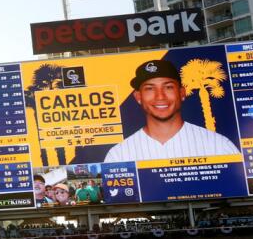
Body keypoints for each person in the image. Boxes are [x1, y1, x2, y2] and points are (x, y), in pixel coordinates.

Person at [103, 58, 242, 163]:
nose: (160, 96)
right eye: (150, 88)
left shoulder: (219, 146)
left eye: (168, 87)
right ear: (138, 97)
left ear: (182, 93)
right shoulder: (119, 154)